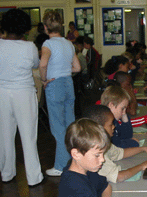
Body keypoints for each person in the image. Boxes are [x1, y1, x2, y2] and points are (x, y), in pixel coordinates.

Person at [0, 9, 44, 186]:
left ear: (5, 26)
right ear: (24, 28)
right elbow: (34, 64)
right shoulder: (29, 47)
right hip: (24, 93)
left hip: (0, 94)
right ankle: (34, 177)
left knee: (4, 136)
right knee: (28, 136)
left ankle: (7, 174)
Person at [40, 10, 81, 177]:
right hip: (68, 84)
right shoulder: (69, 44)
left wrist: (44, 80)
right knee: (70, 126)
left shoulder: (47, 45)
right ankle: (74, 161)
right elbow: (78, 68)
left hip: (55, 85)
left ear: (45, 27)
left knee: (58, 128)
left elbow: (43, 65)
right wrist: (63, 70)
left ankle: (60, 166)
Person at [84, 105, 147, 183]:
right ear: (99, 128)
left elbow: (121, 153)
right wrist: (142, 166)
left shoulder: (103, 143)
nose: (113, 127)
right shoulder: (96, 153)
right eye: (110, 125)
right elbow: (119, 177)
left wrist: (144, 149)